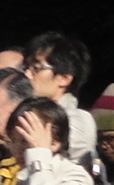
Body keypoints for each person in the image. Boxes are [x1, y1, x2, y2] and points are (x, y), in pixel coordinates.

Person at [23, 31, 98, 175]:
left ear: (64, 78)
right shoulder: (25, 110)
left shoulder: (78, 121)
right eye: (26, 67)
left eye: (36, 68)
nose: (27, 74)